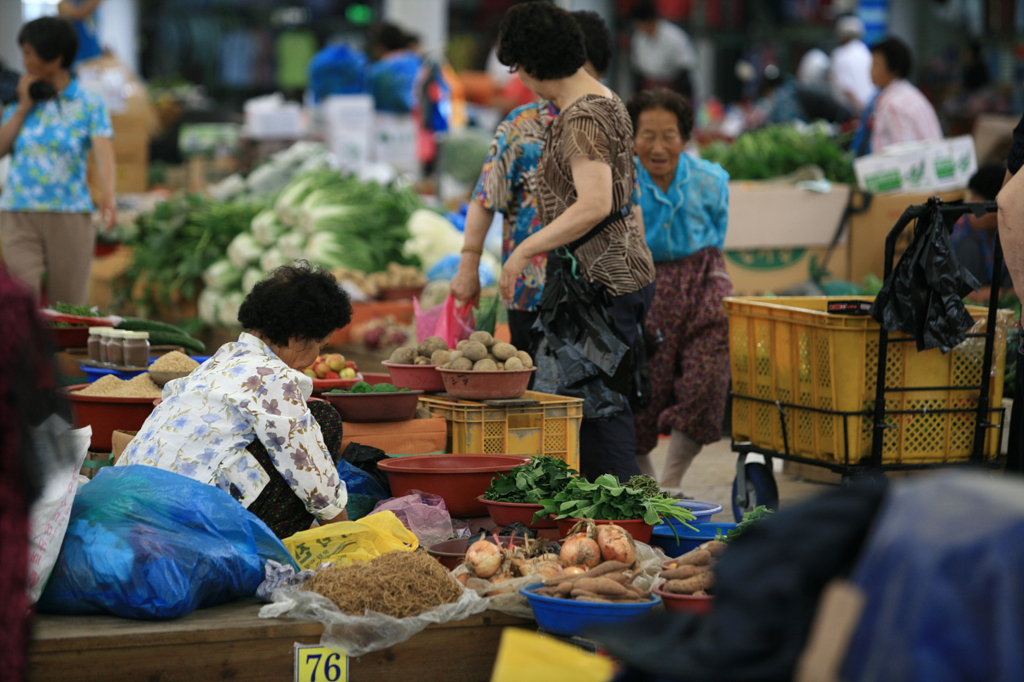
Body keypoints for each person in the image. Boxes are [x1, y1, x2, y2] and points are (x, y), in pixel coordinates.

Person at [494, 3, 656, 482]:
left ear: (534, 64)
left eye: (518, 66)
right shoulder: (603, 97)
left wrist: (524, 250)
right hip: (613, 276)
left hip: (601, 283)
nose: (520, 78)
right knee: (594, 407)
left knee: (600, 411)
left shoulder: (582, 117)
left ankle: (625, 521)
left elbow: (595, 203)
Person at [117, 263, 353, 538]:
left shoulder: (215, 363)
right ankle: (255, 553)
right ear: (296, 337)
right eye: (320, 346)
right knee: (322, 421)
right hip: (187, 526)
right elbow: (312, 474)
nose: (315, 357)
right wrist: (349, 539)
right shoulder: (273, 377)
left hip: (124, 508)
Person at [450, 9, 614, 361]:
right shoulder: (521, 127)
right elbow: (485, 197)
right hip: (530, 292)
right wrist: (469, 265)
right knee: (535, 396)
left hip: (595, 292)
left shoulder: (604, 116)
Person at [627, 88, 731, 496]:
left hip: (703, 277)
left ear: (686, 138)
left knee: (707, 376)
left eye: (668, 135)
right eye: (646, 135)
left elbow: (717, 234)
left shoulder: (711, 181)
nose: (657, 147)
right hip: (641, 281)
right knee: (640, 385)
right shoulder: (623, 182)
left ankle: (672, 480)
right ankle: (647, 483)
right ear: (631, 139)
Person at [0, 17, 116, 306]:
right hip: (17, 213)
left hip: (69, 214)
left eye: (30, 53)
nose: (24, 61)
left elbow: (104, 151)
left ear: (56, 56)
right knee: (18, 303)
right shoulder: (18, 101)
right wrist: (23, 108)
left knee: (69, 307)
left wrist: (108, 194)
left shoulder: (89, 104)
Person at [864, 37, 942, 154]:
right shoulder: (909, 93)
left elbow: (904, 154)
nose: (870, 70)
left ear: (894, 68)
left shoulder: (893, 104)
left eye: (875, 64)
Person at [952, 165, 1012, 303]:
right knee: (969, 246)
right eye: (972, 201)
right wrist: (977, 295)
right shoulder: (959, 233)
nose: (973, 211)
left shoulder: (1006, 226)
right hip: (968, 301)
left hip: (1002, 298)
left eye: (979, 205)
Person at [630, 0, 697, 102]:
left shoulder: (674, 37)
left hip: (672, 90)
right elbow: (637, 70)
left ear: (649, 21)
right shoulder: (638, 38)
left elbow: (685, 70)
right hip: (648, 90)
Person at [829, 15, 875, 114]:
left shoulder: (840, 55)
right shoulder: (866, 53)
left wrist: (861, 111)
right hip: (870, 107)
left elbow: (846, 88)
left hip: (851, 112)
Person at [57, 0, 104, 66]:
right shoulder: (63, 4)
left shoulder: (93, 7)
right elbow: (80, 14)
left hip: (94, 55)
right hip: (76, 58)